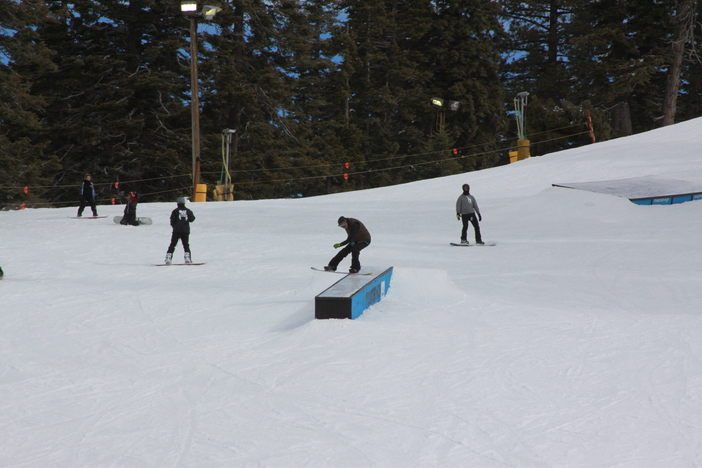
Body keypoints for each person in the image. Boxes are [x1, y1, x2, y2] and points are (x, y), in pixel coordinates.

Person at [165, 197, 196, 264]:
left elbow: (172, 221)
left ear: (177, 203)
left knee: (172, 244)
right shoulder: (188, 211)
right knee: (186, 245)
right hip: (185, 231)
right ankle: (187, 258)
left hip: (176, 231)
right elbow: (192, 219)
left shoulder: (175, 211)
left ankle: (168, 258)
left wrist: (175, 227)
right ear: (184, 203)